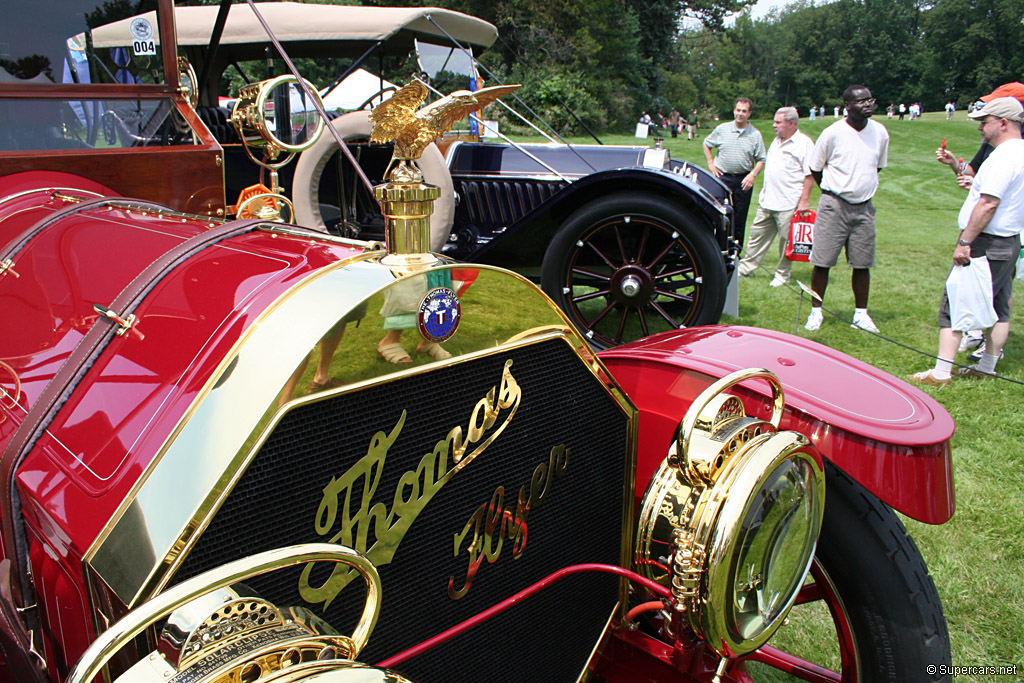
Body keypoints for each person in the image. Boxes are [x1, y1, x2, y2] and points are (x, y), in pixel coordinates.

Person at [909, 97, 1024, 385]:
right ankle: (985, 366)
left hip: (986, 242)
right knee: (999, 306)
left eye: (984, 122)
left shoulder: (1003, 157)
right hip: (1009, 242)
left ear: (1003, 123)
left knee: (955, 303)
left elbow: (988, 204)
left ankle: (941, 373)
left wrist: (965, 241)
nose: (980, 129)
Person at [797, 84, 889, 332]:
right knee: (823, 261)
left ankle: (861, 314)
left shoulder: (880, 132)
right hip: (834, 205)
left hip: (864, 208)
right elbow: (816, 168)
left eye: (870, 100)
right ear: (847, 106)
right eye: (861, 101)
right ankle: (816, 311)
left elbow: (876, 167)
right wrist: (833, 189)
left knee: (862, 263)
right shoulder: (833, 133)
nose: (868, 104)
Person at [738, 107, 815, 286]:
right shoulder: (776, 141)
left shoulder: (804, 144)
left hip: (789, 202)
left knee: (785, 241)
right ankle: (746, 268)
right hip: (767, 201)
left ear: (791, 123)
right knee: (757, 236)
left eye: (778, 122)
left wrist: (804, 201)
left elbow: (809, 175)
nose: (774, 125)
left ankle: (782, 274)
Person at [703, 97, 766, 246]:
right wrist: (711, 164)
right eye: (738, 110)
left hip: (743, 181)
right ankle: (718, 248)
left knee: (739, 217)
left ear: (749, 113)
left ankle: (736, 251)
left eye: (744, 111)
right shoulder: (722, 129)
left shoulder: (755, 135)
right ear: (734, 111)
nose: (740, 114)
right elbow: (707, 144)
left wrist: (752, 175)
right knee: (719, 215)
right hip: (722, 178)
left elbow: (762, 159)